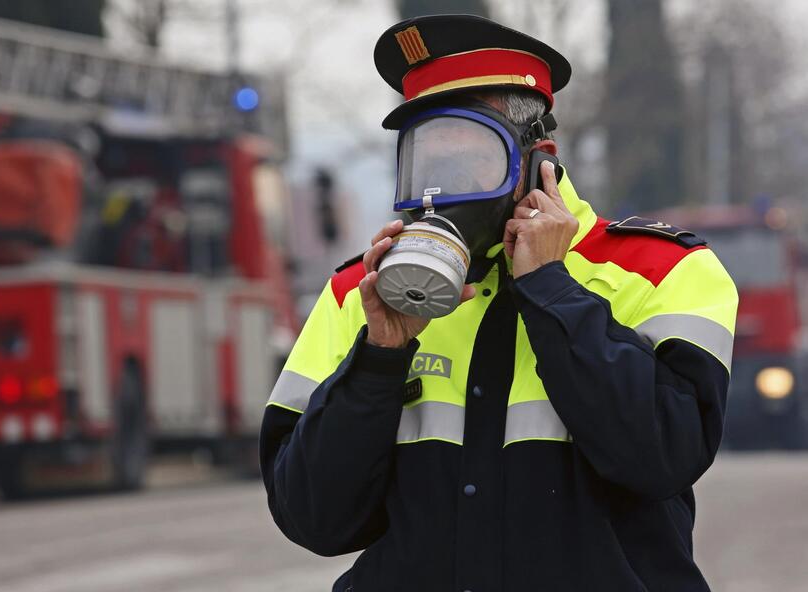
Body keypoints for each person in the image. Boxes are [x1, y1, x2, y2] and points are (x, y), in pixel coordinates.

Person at [260, 14, 737, 592]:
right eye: (426, 163)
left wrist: (551, 289)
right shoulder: (357, 296)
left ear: (538, 162)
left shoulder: (664, 271)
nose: (443, 191)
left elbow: (663, 455)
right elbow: (313, 518)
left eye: (469, 162)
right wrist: (379, 359)